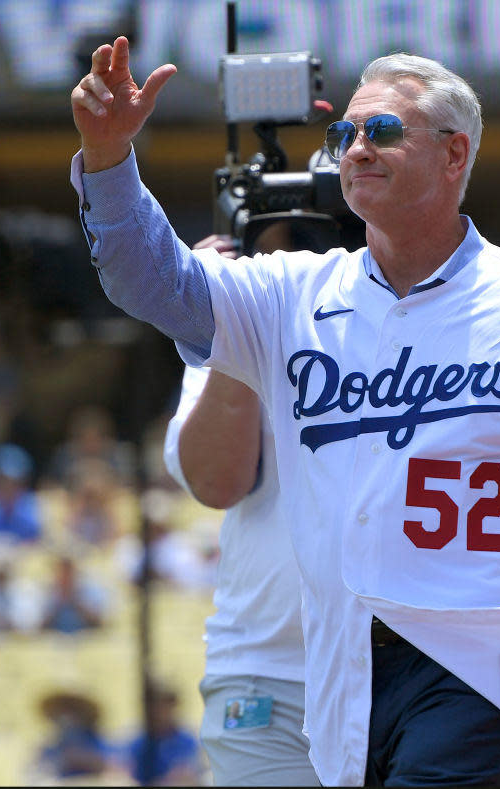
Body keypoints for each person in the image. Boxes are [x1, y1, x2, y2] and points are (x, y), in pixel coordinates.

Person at [70, 39, 500, 785]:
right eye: (342, 136)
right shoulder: (291, 294)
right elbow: (152, 282)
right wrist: (108, 158)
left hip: (481, 670)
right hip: (340, 671)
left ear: (454, 156)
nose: (355, 149)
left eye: (383, 131)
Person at [158, 233, 320, 786]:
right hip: (269, 672)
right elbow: (216, 480)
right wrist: (237, 316)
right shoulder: (241, 300)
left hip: (413, 671)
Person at [124, 678, 205, 786]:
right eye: (155, 706)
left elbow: (193, 773)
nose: (159, 712)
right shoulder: (140, 743)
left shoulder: (187, 741)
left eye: (165, 705)